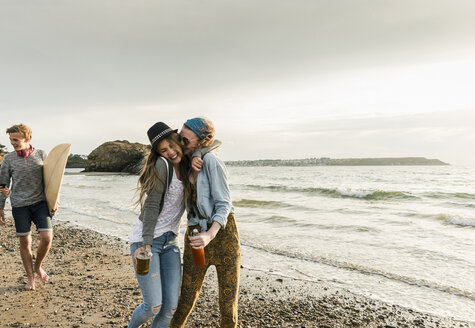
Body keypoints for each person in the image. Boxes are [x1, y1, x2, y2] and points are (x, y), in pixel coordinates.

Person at [128, 122, 220, 328]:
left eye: (171, 145)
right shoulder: (163, 165)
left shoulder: (187, 164)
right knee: (152, 306)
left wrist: (197, 156)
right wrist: (146, 244)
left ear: (179, 140)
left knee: (170, 308)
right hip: (147, 242)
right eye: (163, 150)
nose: (169, 152)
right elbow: (151, 205)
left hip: (171, 242)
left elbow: (214, 143)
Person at [170, 117, 241, 328]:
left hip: (223, 236)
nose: (180, 145)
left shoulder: (212, 162)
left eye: (185, 141)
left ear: (201, 142)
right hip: (194, 235)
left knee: (227, 306)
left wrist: (210, 235)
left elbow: (224, 204)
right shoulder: (185, 163)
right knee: (185, 299)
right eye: (180, 139)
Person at [0, 123, 55, 291]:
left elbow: (53, 181)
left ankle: (37, 266)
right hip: (20, 205)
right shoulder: (8, 159)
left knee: (46, 238)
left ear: (27, 139)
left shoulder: (41, 154)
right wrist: (0, 208)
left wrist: (55, 201)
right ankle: (30, 278)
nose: (13, 143)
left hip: (40, 203)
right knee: (25, 242)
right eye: (10, 139)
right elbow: (2, 185)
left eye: (16, 139)